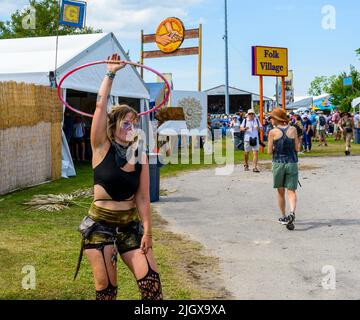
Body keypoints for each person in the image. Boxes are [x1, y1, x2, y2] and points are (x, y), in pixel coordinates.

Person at [75, 53, 163, 300]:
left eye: (134, 123)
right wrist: (111, 73)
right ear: (112, 126)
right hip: (99, 226)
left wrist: (147, 231)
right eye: (125, 123)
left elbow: (143, 198)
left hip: (129, 225)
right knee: (107, 293)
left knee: (152, 288)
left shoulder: (140, 155)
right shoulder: (100, 146)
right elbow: (100, 106)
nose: (131, 128)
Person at [267, 108, 300, 227]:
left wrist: (277, 148)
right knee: (291, 190)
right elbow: (297, 148)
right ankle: (292, 212)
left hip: (278, 163)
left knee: (280, 191)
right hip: (291, 162)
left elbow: (269, 151)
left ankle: (283, 216)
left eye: (272, 117)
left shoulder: (272, 132)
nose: (270, 120)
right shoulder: (293, 129)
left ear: (276, 119)